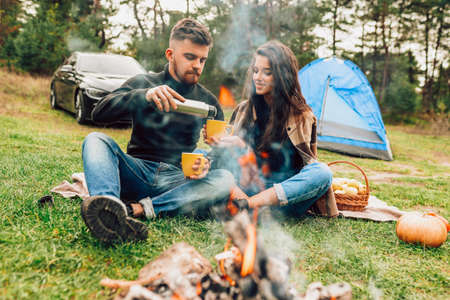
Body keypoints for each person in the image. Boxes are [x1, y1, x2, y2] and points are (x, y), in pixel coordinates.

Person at [81, 18, 234, 243]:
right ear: (170, 54)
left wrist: (211, 160)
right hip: (137, 171)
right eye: (190, 57)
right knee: (96, 139)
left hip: (177, 179)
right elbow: (99, 113)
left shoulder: (208, 101)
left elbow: (216, 159)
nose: (197, 66)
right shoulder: (144, 82)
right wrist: (143, 96)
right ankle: (107, 206)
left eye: (202, 60)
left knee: (225, 178)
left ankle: (136, 210)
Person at [207, 40, 338, 217]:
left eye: (267, 72)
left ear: (282, 75)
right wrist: (228, 144)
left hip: (281, 197)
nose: (258, 77)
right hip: (245, 187)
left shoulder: (302, 116)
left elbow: (305, 166)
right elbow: (230, 163)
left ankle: (249, 205)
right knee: (202, 156)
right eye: (255, 71)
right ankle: (248, 205)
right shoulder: (244, 109)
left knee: (322, 172)